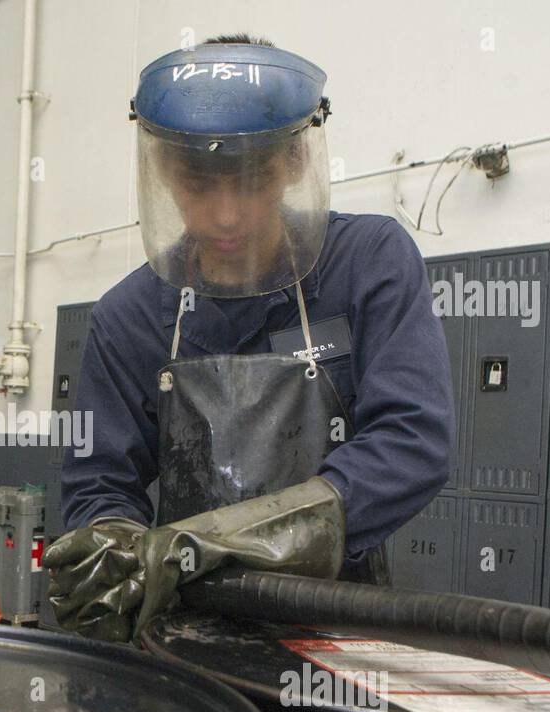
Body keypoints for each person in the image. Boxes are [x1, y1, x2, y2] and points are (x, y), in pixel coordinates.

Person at [45, 35, 454, 643]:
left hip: (339, 628)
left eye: (252, 178)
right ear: (160, 168)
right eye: (198, 182)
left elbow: (412, 440)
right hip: (182, 630)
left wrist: (220, 541)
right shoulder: (126, 317)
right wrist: (114, 552)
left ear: (295, 162)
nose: (227, 214)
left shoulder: (368, 263)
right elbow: (101, 482)